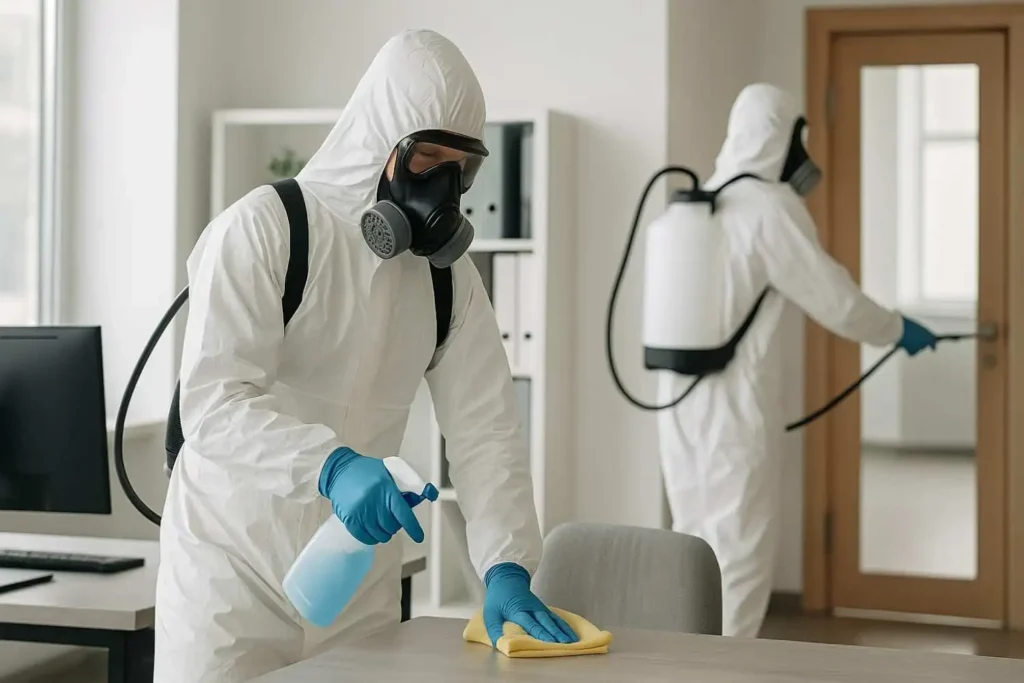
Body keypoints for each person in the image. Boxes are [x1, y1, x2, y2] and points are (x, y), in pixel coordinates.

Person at [154, 30, 574, 683]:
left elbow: (487, 428)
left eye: (459, 167)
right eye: (425, 158)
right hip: (228, 579)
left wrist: (506, 565)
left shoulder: (446, 280)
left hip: (355, 584)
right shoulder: (264, 230)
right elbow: (212, 404)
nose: (441, 185)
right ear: (379, 145)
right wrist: (333, 466)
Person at [656, 83, 938, 639]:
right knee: (738, 555)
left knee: (691, 544)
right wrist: (896, 328)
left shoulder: (693, 205)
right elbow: (836, 300)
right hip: (736, 409)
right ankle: (722, 678)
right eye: (798, 139)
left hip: (678, 407)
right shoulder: (770, 208)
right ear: (780, 137)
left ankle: (686, 667)